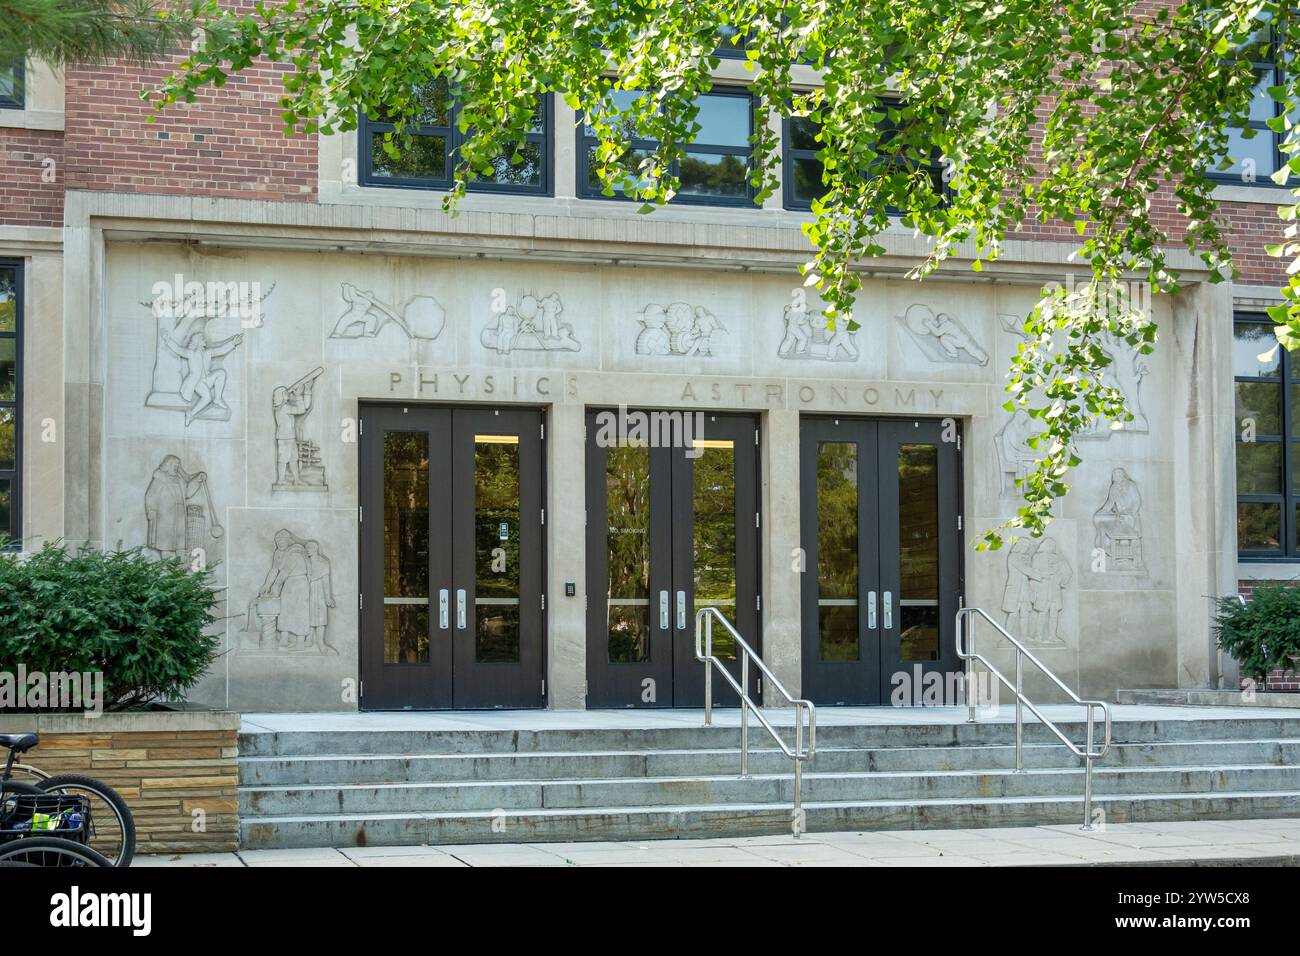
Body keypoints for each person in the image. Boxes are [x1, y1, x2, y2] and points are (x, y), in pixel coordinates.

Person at [160, 328, 243, 425]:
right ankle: (190, 415)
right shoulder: (190, 353)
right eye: (202, 339)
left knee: (221, 373)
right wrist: (167, 339)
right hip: (197, 382)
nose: (204, 340)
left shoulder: (208, 353)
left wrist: (233, 343)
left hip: (207, 379)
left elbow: (221, 350)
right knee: (207, 398)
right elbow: (178, 350)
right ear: (198, 342)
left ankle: (217, 399)